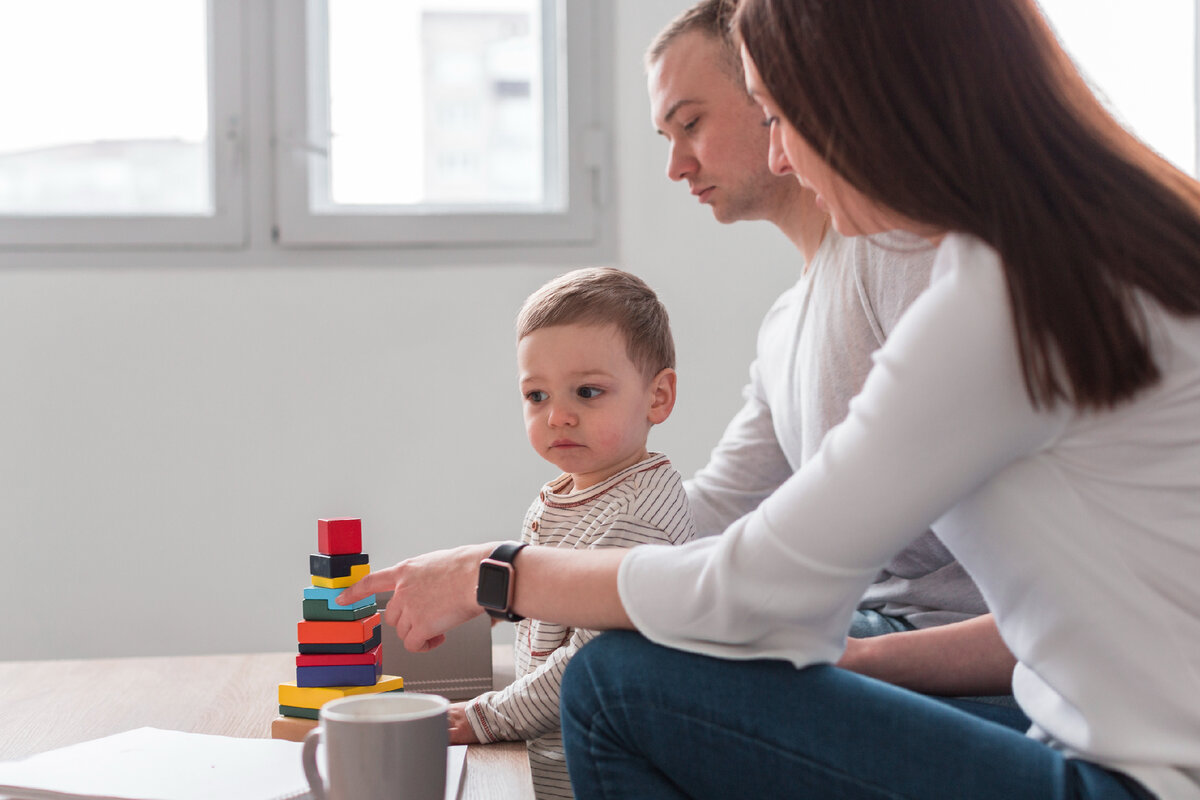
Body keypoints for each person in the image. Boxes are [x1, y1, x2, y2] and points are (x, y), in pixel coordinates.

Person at [342, 1, 1200, 798]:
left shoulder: (999, 292)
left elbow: (762, 591)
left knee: (618, 685)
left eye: (780, 114)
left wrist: (498, 575)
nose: (783, 153)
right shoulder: (1081, 245)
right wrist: (532, 552)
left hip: (1124, 779)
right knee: (647, 645)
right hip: (1088, 743)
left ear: (861, 98)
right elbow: (723, 537)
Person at [646, 0, 1015, 700]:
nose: (674, 165)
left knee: (628, 677)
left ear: (772, 93)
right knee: (626, 645)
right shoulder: (784, 325)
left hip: (959, 657)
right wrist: (565, 522)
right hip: (871, 627)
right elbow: (707, 515)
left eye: (690, 123)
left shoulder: (902, 254)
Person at [444, 267, 695, 799]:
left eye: (587, 392)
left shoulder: (638, 516)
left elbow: (583, 665)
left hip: (592, 772)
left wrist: (483, 718)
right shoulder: (572, 492)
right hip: (549, 751)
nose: (558, 415)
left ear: (658, 398)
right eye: (536, 396)